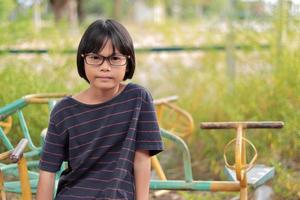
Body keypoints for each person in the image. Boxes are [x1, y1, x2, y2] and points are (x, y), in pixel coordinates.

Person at [36, 19, 163, 200]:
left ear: (128, 61)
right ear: (83, 60)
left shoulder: (138, 98)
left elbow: (142, 161)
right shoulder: (64, 111)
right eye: (95, 58)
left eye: (115, 58)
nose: (105, 67)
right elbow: (47, 172)